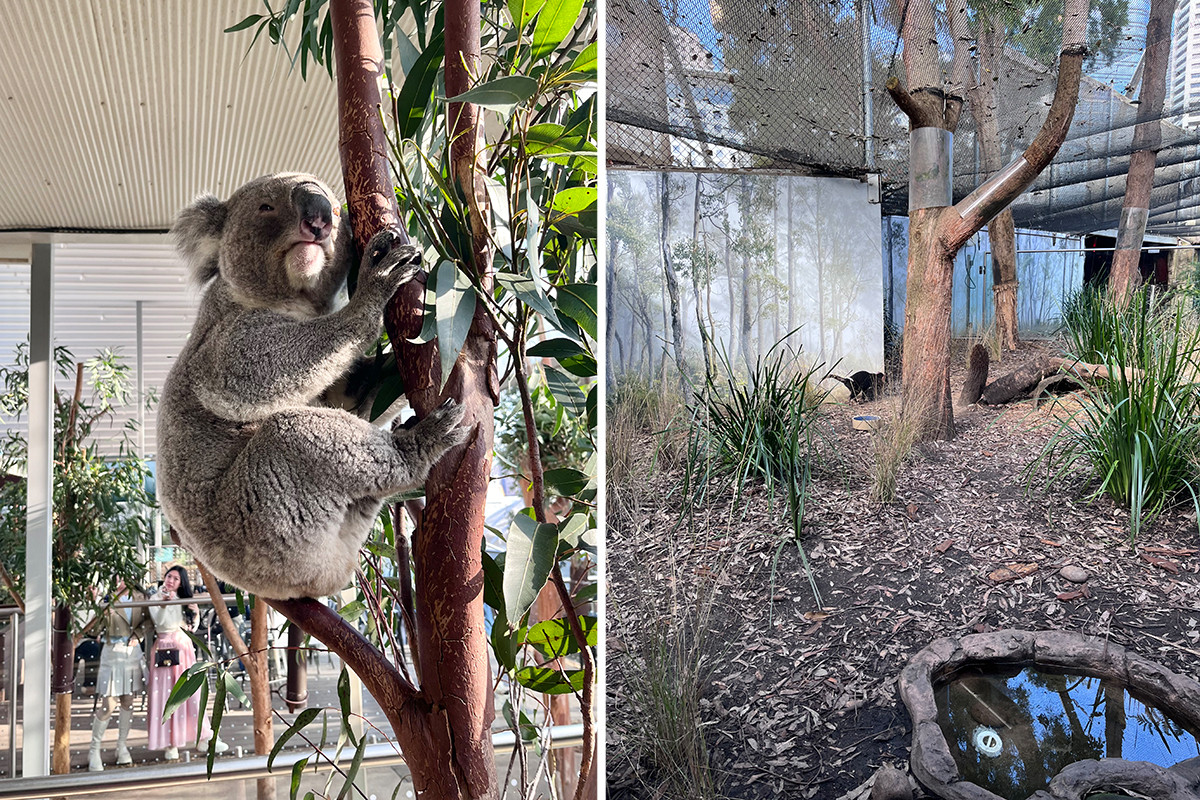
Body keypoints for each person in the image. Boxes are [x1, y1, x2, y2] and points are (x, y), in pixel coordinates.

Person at [147, 565, 226, 760]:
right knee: (167, 695)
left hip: (183, 647)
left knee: (193, 694)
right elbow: (159, 622)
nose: (170, 581)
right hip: (164, 646)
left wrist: (195, 611)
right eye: (168, 576)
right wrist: (165, 604)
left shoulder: (183, 599)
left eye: (175, 578)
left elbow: (193, 626)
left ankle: (203, 737)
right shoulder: (155, 598)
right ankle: (170, 743)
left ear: (181, 582)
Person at [88, 580, 152, 771]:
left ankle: (121, 745)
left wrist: (138, 634)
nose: (118, 580)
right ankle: (94, 750)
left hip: (131, 653)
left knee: (128, 700)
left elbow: (148, 620)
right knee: (108, 704)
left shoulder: (140, 597)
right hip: (112, 652)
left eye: (121, 575)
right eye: (115, 576)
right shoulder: (107, 598)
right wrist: (96, 605)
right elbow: (93, 631)